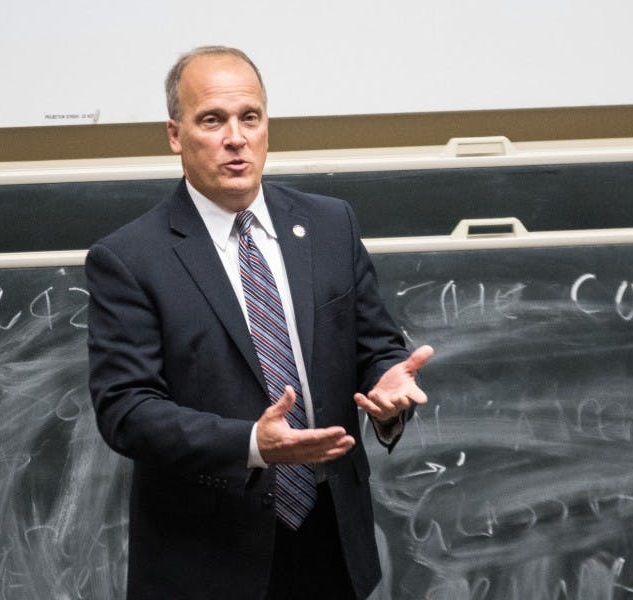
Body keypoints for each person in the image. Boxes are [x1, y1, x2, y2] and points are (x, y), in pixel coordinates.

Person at [85, 46, 433, 600]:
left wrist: (390, 388)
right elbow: (126, 410)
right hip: (207, 559)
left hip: (330, 540)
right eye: (212, 120)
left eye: (250, 117)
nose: (236, 138)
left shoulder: (329, 224)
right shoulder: (130, 258)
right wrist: (252, 443)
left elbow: (374, 347)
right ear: (175, 135)